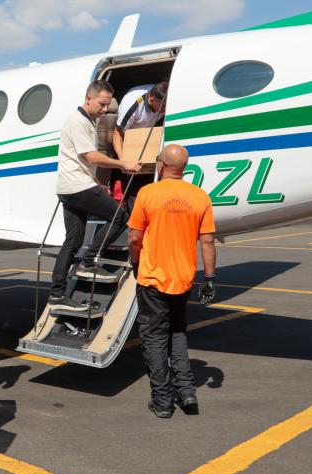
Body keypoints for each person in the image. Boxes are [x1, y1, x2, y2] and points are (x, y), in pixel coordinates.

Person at [127, 144, 217, 419]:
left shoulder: (148, 193)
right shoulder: (200, 196)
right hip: (183, 278)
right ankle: (187, 393)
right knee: (177, 332)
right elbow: (208, 241)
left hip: (153, 277)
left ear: (162, 165)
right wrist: (209, 278)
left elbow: (134, 238)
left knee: (154, 337)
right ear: (184, 167)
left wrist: (136, 262)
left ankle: (163, 400)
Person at [48, 80, 142, 311]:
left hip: (70, 187)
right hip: (77, 187)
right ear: (88, 99)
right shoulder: (78, 121)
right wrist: (123, 163)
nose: (105, 109)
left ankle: (57, 294)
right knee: (120, 217)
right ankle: (89, 262)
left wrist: (97, 183)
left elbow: (78, 160)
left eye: (108, 106)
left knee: (73, 241)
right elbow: (90, 157)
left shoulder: (88, 120)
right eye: (102, 104)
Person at [112, 82, 168, 212]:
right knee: (134, 180)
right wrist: (123, 162)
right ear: (152, 99)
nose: (166, 108)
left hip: (148, 134)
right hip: (129, 137)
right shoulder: (132, 105)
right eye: (163, 105)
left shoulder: (164, 100)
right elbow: (117, 134)